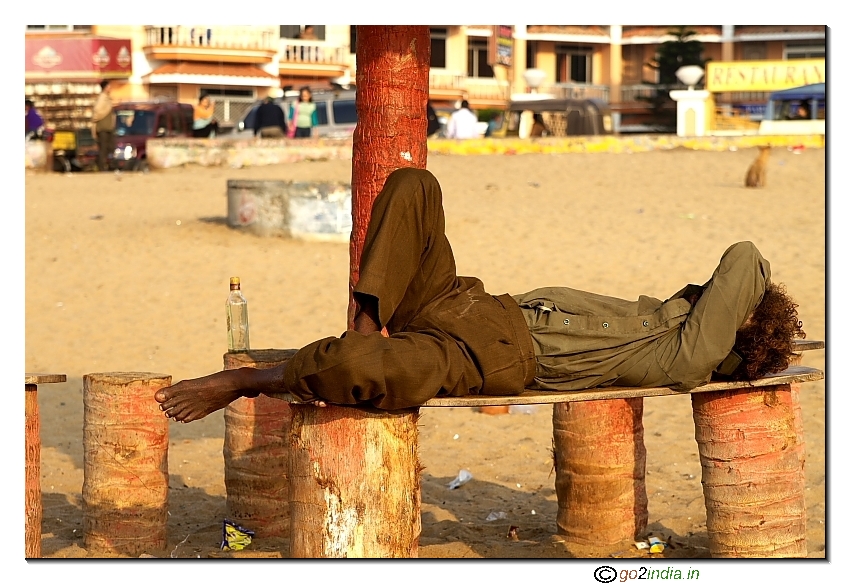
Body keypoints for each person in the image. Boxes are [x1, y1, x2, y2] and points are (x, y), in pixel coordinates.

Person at [156, 168, 805, 422]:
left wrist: (746, 307)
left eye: (727, 306)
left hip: (484, 360)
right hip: (469, 302)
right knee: (414, 187)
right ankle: (366, 317)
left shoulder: (688, 356)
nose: (707, 297)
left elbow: (746, 257)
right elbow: (734, 275)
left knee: (360, 370)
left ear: (737, 324)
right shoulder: (673, 326)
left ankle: (242, 381)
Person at [91, 80, 116, 172]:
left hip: (108, 127)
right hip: (103, 128)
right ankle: (101, 167)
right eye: (109, 86)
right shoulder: (102, 98)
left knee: (110, 148)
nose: (110, 88)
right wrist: (98, 117)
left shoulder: (107, 98)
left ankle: (108, 165)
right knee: (103, 148)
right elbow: (97, 111)